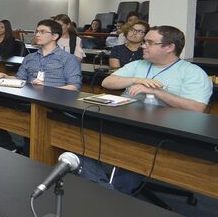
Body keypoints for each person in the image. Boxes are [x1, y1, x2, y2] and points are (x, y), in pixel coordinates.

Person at [85, 25, 212, 194]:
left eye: (149, 42)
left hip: (162, 131)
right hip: (125, 121)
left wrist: (156, 92)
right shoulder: (138, 65)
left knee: (134, 148)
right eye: (144, 42)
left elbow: (196, 108)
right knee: (82, 134)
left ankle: (114, 194)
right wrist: (135, 80)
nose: (143, 45)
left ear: (169, 47)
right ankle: (103, 188)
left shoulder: (193, 73)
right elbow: (107, 82)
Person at [0, 19, 82, 151]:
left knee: (32, 125)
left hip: (53, 103)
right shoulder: (30, 58)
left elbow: (74, 87)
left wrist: (47, 88)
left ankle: (30, 150)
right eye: (36, 31)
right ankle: (8, 145)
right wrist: (5, 76)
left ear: (54, 36)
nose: (37, 34)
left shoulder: (68, 59)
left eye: (42, 32)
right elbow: (20, 79)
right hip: (28, 100)